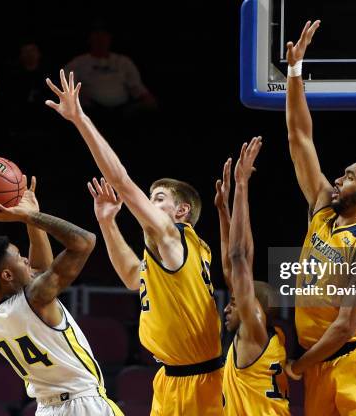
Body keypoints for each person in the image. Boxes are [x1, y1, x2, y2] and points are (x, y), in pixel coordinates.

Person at [47, 70, 222, 415]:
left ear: (181, 211)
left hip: (200, 383)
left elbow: (122, 182)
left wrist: (80, 120)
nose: (148, 204)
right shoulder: (178, 253)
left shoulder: (174, 237)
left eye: (157, 198)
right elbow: (132, 277)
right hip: (170, 379)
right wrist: (108, 224)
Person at [282, 21, 356, 415]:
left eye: (349, 177)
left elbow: (347, 326)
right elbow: (300, 138)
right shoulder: (322, 210)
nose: (337, 178)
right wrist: (295, 71)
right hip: (321, 366)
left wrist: (297, 365)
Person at [0, 176, 123, 416]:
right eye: (19, 257)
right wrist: (29, 217)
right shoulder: (36, 299)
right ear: (7, 275)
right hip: (83, 405)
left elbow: (40, 272)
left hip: (46, 409)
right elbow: (85, 242)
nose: (25, 260)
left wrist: (32, 218)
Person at [216, 137, 290, 415]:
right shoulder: (273, 336)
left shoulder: (253, 332)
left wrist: (242, 185)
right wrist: (223, 213)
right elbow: (231, 268)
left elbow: (239, 258)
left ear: (255, 307)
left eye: (235, 302)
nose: (227, 307)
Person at [64, 23, 155, 119]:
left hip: (122, 111)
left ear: (109, 38)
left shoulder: (122, 62)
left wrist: (146, 98)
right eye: (96, 36)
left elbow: (136, 86)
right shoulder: (78, 63)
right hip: (91, 112)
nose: (100, 40)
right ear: (90, 39)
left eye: (103, 36)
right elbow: (65, 85)